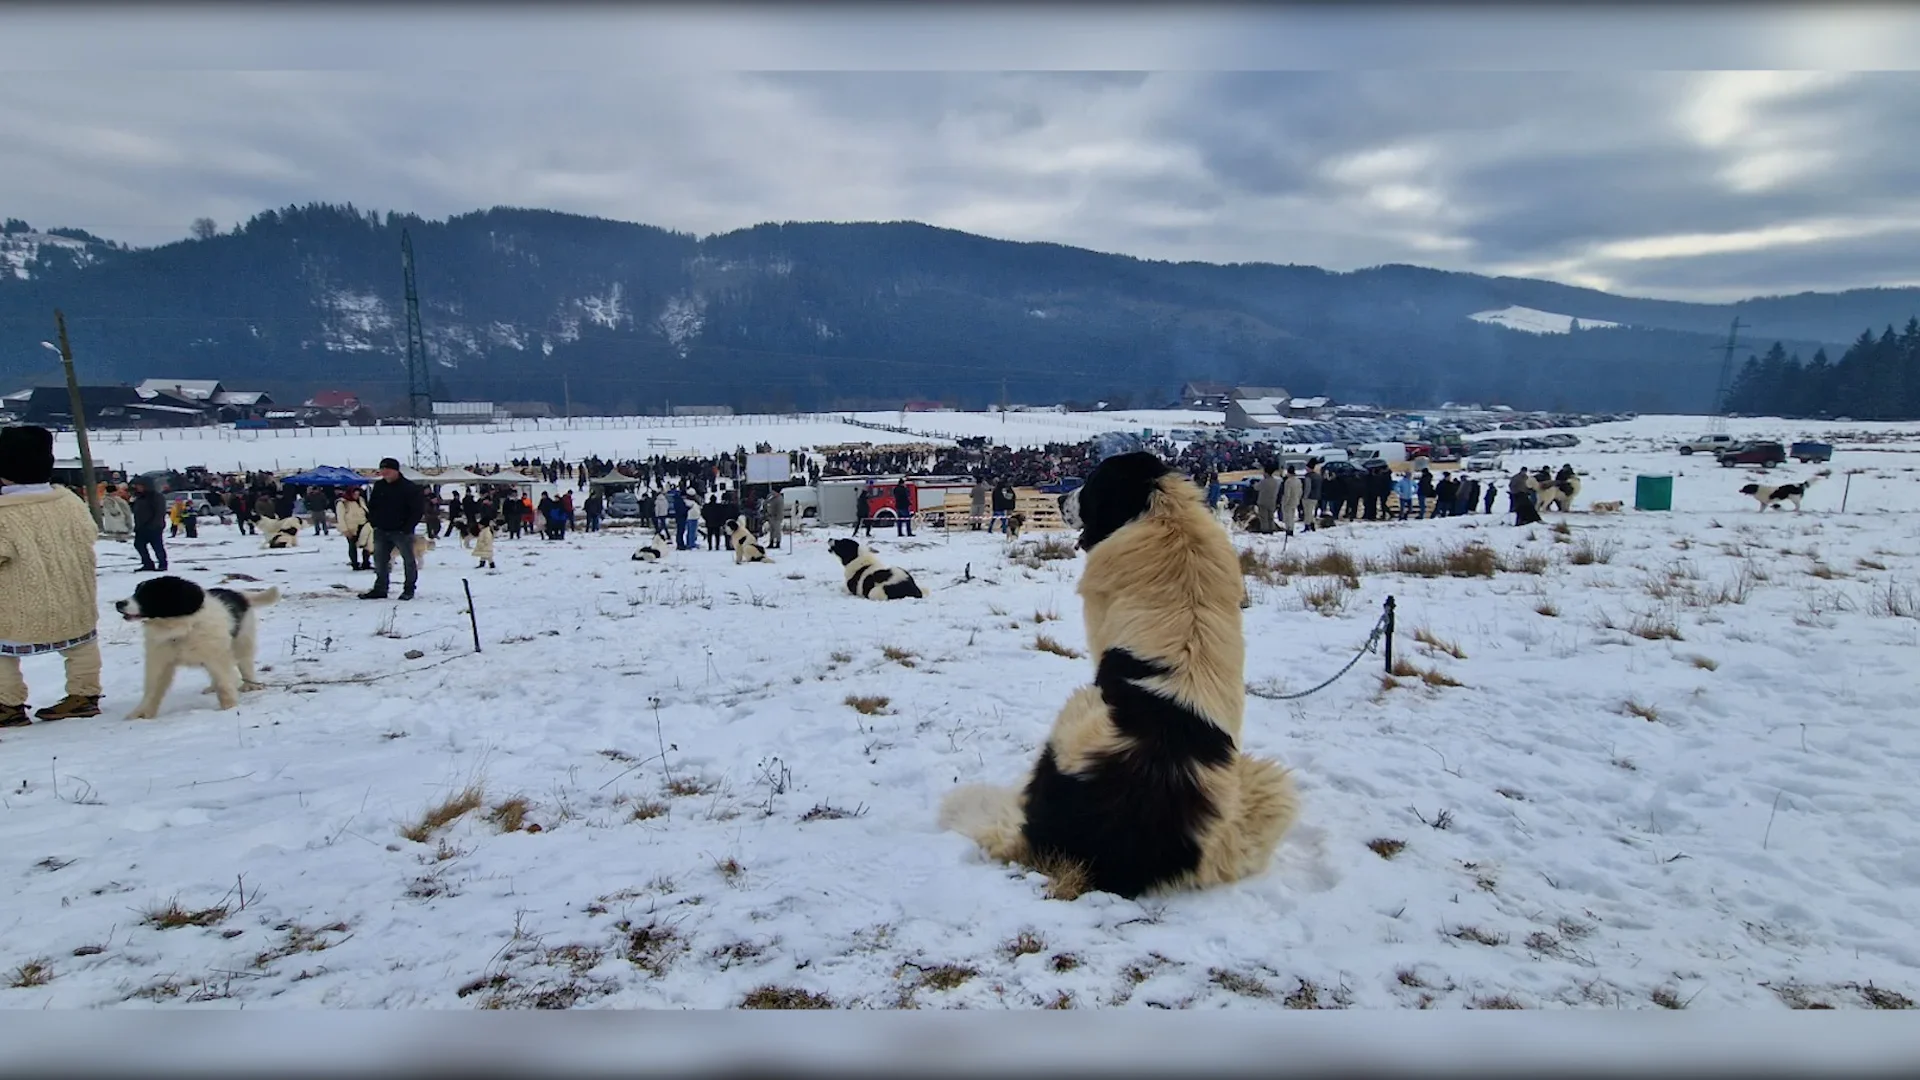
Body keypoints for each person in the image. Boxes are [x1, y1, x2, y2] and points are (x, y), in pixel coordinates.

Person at [0, 426, 105, 725]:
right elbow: (90, 533)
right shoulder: (69, 501)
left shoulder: (3, 512)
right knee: (82, 645)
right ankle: (84, 695)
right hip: (74, 596)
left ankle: (7, 704)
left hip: (18, 605)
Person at [360, 457, 426, 601]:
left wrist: (407, 527)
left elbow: (417, 510)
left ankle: (409, 589)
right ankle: (380, 588)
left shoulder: (410, 488)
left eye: (387, 469)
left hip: (402, 532)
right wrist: (374, 523)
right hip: (381, 530)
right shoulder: (379, 486)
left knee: (408, 561)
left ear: (396, 470)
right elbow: (372, 506)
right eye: (382, 469)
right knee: (380, 560)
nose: (384, 472)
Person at [128, 475, 168, 572]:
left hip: (154, 526)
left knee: (157, 546)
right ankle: (147, 563)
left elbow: (160, 511)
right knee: (139, 544)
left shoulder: (156, 496)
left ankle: (162, 564)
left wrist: (154, 524)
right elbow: (137, 511)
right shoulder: (139, 497)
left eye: (139, 485)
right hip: (141, 527)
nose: (137, 487)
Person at [335, 484, 369, 570]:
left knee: (367, 544)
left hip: (363, 525)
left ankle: (366, 562)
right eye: (355, 494)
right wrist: (345, 530)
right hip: (351, 527)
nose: (356, 496)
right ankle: (355, 563)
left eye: (358, 494)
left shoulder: (361, 500)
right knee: (352, 546)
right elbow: (340, 517)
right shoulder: (342, 503)